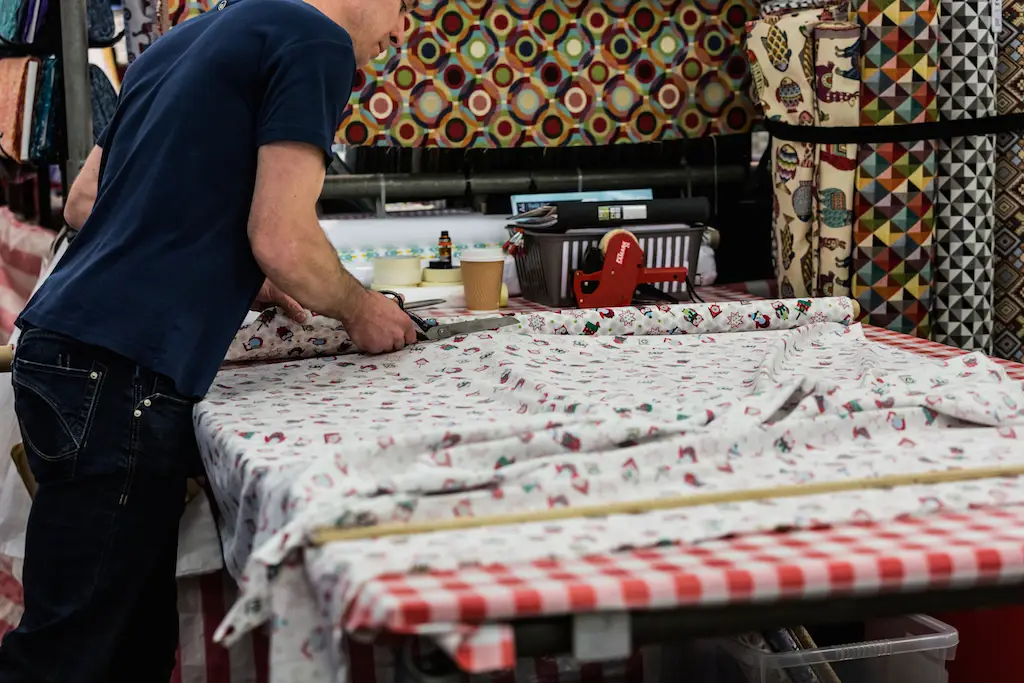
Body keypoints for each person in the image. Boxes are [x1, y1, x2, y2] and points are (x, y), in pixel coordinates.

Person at [0, 0, 418, 680]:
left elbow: (85, 200)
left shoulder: (180, 41)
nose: (402, 29)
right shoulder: (317, 41)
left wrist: (224, 270)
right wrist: (359, 307)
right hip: (117, 371)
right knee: (70, 656)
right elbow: (283, 238)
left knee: (126, 645)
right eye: (403, 7)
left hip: (65, 353)